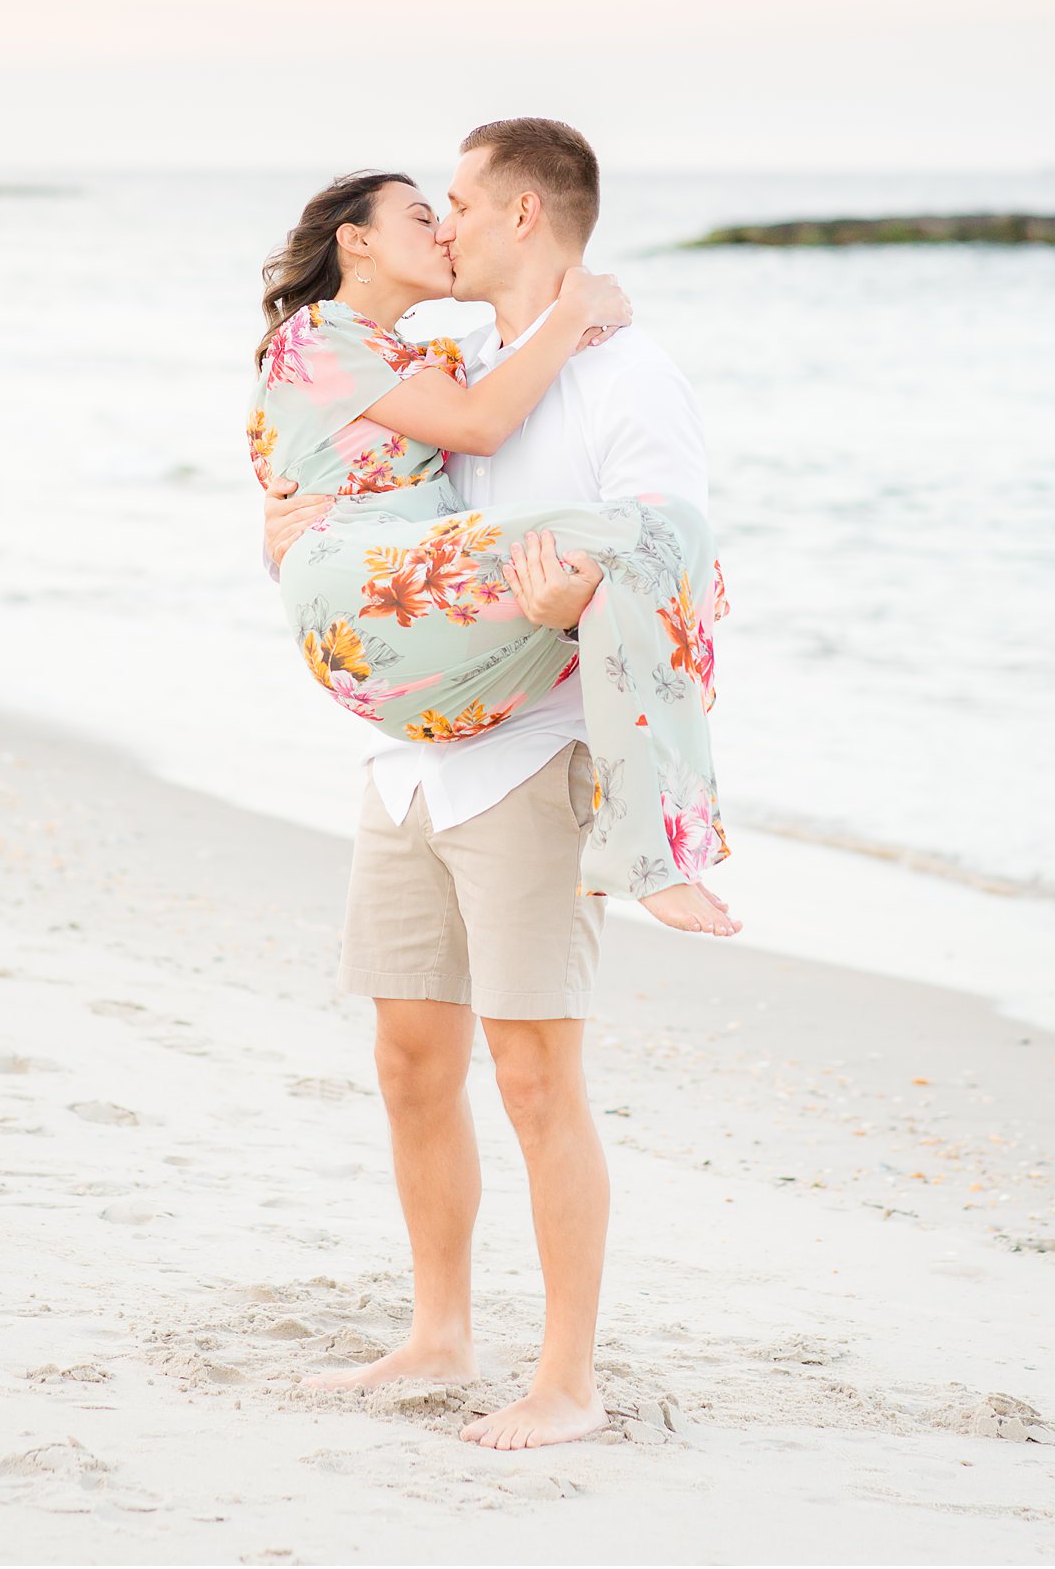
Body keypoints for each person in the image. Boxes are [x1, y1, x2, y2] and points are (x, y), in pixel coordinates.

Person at [257, 116, 740, 1450]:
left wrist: (582, 586)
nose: (449, 222)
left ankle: (568, 1380)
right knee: (411, 1058)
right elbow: (375, 481)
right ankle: (438, 1335)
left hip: (533, 757)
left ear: (524, 214)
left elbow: (664, 547)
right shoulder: (468, 358)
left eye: (460, 199)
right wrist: (294, 532)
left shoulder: (629, 380)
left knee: (535, 1074)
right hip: (414, 764)